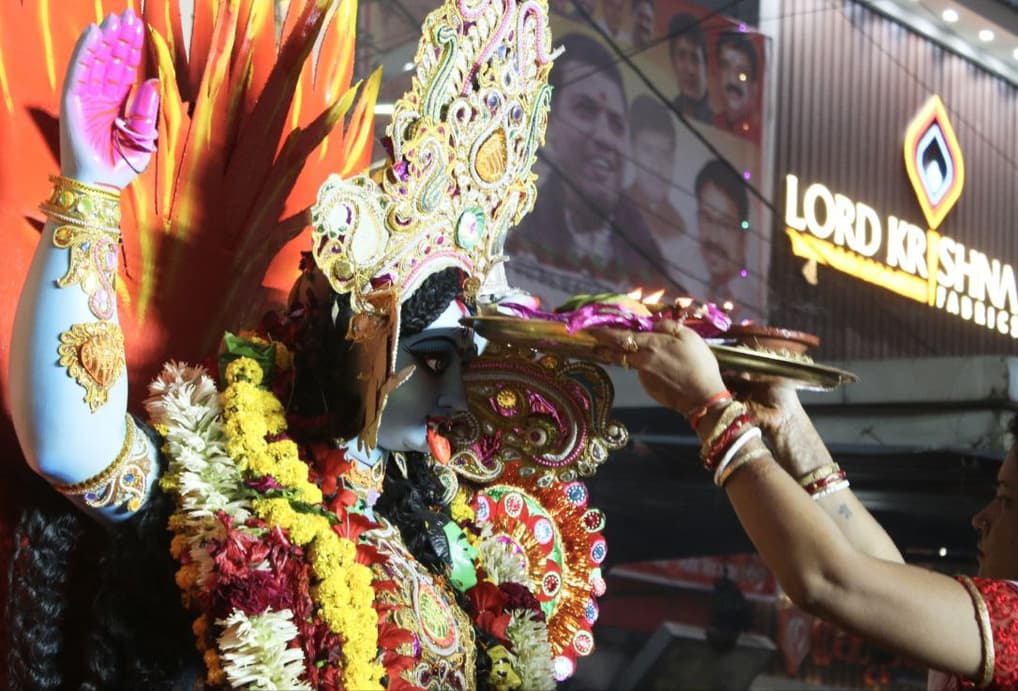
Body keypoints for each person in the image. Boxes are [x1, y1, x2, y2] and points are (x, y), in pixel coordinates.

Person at [5, 3, 616, 688]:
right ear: (365, 337)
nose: (450, 397)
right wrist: (90, 189)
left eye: (459, 367)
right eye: (436, 359)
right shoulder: (229, 493)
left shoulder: (447, 542)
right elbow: (72, 447)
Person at [589, 320, 1018, 689]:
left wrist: (711, 411)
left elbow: (833, 583)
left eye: (1007, 502)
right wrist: (791, 430)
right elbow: (890, 583)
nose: (980, 519)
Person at [507, 33, 666, 292]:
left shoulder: (647, 254)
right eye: (585, 110)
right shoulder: (516, 232)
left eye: (616, 124)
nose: (605, 138)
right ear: (548, 126)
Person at [624, 95, 705, 296]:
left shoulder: (682, 230)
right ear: (632, 150)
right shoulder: (614, 215)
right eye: (648, 151)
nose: (657, 166)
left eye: (665, 154)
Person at [694, 159, 756, 309]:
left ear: (743, 236)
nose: (713, 237)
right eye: (707, 218)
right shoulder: (686, 287)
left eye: (725, 224)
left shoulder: (755, 307)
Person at [712, 31, 762, 142]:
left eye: (742, 73)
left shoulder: (760, 137)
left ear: (754, 88)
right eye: (726, 67)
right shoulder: (711, 124)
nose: (732, 80)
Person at [667, 13, 714, 124]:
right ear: (673, 62)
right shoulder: (666, 116)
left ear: (705, 66)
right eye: (682, 56)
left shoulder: (717, 124)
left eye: (695, 58)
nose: (690, 69)